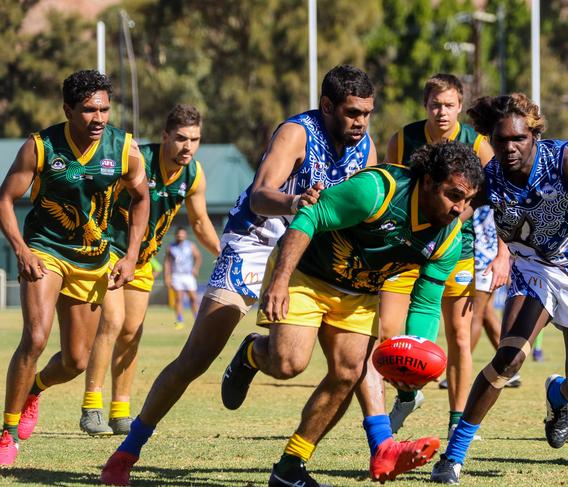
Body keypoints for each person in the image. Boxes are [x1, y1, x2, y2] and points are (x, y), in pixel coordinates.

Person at [100, 64, 377, 486]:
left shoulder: (366, 149)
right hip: (255, 239)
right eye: (353, 113)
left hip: (310, 251)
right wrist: (294, 203)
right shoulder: (296, 133)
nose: (360, 123)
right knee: (196, 357)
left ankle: (377, 443)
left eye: (367, 114)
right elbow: (263, 194)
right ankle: (127, 451)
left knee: (329, 360)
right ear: (327, 106)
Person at [222, 141, 484, 486]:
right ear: (429, 181)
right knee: (288, 363)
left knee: (348, 373)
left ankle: (290, 468)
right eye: (454, 195)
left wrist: (416, 356)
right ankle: (253, 353)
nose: (459, 209)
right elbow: (309, 216)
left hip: (360, 293)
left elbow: (424, 302)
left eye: (468, 201)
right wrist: (281, 280)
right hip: (308, 274)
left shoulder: (449, 237)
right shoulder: (376, 191)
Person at [430, 93, 568, 484]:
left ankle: (558, 394)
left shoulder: (564, 161)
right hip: (532, 268)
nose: (509, 148)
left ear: (534, 137)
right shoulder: (488, 178)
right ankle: (452, 457)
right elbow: (456, 210)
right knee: (508, 359)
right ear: (491, 138)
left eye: (519, 139)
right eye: (501, 140)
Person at [0, 70, 150, 467]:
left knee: (75, 361)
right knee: (35, 336)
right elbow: (5, 200)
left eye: (104, 109)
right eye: (88, 110)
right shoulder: (40, 147)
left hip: (93, 260)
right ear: (68, 109)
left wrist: (131, 255)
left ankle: (32, 388)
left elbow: (141, 197)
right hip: (46, 251)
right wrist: (21, 250)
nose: (98, 118)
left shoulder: (124, 149)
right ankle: (7, 432)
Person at [79, 105, 221, 437]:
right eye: (181, 138)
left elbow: (199, 221)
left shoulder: (194, 174)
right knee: (112, 322)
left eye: (195, 139)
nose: (188, 146)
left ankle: (120, 411)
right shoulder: (138, 159)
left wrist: (222, 252)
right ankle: (91, 407)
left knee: (132, 331)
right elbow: (97, 194)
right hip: (109, 252)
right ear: (165, 136)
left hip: (142, 261)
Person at [381, 74, 509, 436]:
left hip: (459, 251)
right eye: (435, 104)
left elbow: (502, 197)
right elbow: (392, 193)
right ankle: (406, 395)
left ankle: (457, 422)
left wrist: (503, 253)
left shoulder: (477, 143)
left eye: (449, 104)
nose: (442, 112)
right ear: (426, 105)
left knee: (459, 335)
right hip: (407, 249)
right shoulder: (403, 140)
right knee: (388, 330)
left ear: (459, 105)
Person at [470, 205, 521, 387]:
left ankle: (462, 366)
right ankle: (509, 368)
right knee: (485, 313)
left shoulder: (484, 193)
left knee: (475, 314)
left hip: (481, 260)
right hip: (488, 259)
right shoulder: (494, 191)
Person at [165, 227, 203, 329]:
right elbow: (167, 263)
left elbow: (198, 257)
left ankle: (197, 320)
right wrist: (167, 276)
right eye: (178, 234)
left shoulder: (190, 245)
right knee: (178, 299)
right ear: (176, 235)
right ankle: (180, 320)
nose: (180, 236)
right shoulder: (171, 247)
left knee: (193, 298)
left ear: (185, 235)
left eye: (182, 234)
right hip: (176, 275)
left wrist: (195, 268)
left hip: (188, 275)